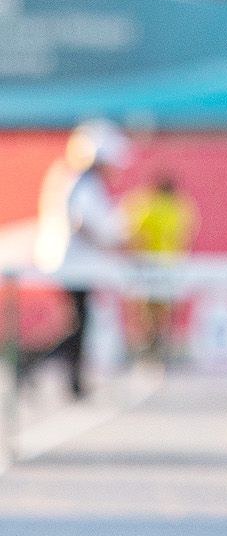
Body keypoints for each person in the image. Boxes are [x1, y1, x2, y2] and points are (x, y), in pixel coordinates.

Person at [25, 121, 132, 399]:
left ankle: (71, 381)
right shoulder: (82, 180)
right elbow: (82, 222)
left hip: (75, 263)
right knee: (79, 323)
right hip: (72, 263)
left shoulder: (77, 178)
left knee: (79, 322)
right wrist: (110, 243)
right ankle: (33, 364)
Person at [121, 170, 198, 361]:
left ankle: (149, 348)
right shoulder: (181, 208)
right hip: (171, 265)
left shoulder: (147, 206)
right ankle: (163, 348)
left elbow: (136, 234)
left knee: (148, 310)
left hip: (149, 265)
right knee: (166, 310)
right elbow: (184, 236)